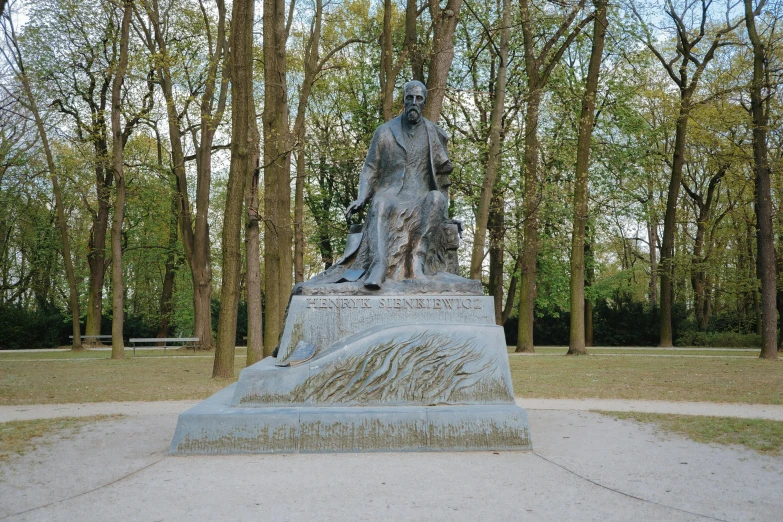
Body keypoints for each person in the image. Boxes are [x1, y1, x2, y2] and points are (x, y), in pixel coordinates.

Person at [345, 80, 454, 289]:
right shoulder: (384, 131)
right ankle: (379, 266)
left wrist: (446, 213)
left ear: (424, 102)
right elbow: (370, 169)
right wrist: (362, 197)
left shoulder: (434, 132)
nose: (413, 102)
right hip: (390, 194)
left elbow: (443, 173)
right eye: (409, 98)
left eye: (419, 98)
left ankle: (416, 262)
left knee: (436, 198)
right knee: (379, 204)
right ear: (403, 100)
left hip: (420, 195)